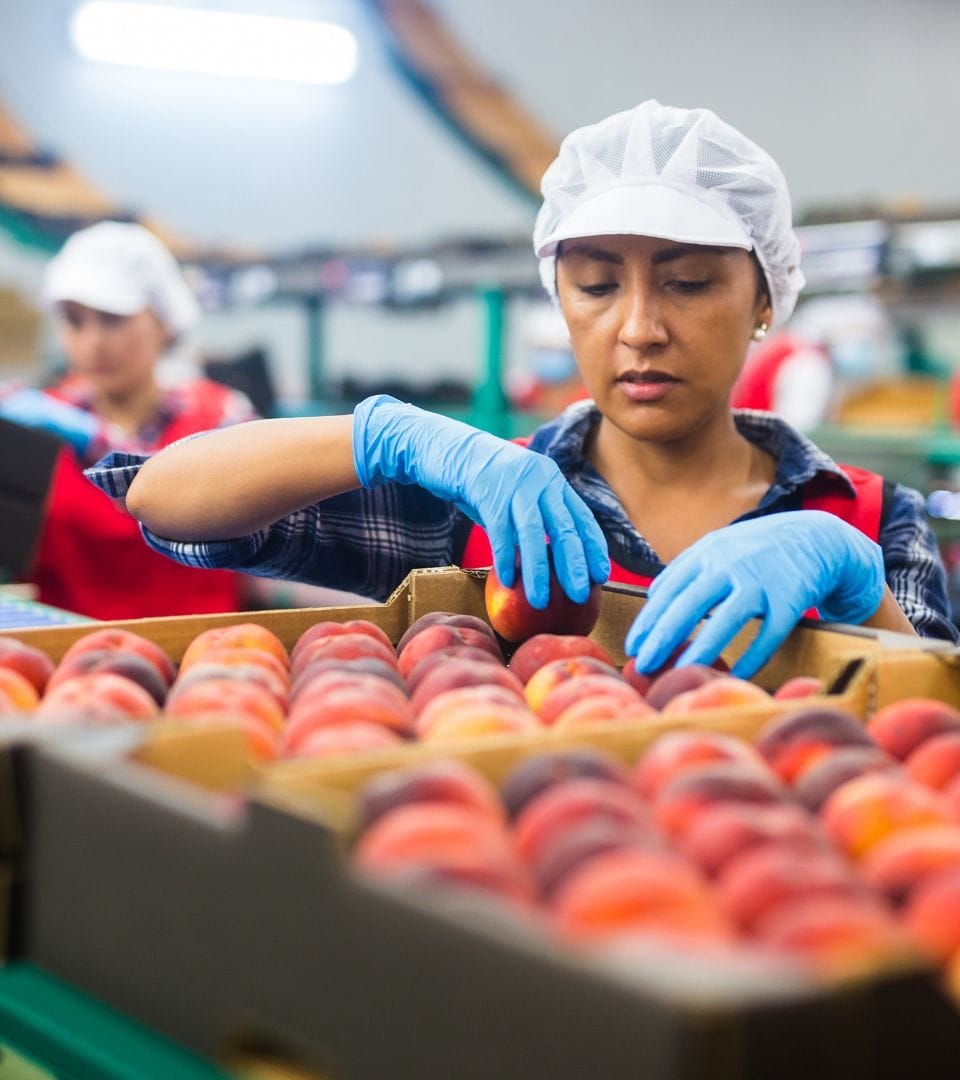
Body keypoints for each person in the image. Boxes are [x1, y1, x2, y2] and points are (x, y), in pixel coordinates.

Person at [86, 102, 957, 675]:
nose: (640, 327)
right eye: (596, 285)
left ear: (767, 299)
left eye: (689, 283)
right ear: (559, 301)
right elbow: (163, 500)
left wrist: (859, 589)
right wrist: (381, 435)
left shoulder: (867, 523)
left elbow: (934, 739)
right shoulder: (479, 510)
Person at [0, 221, 258, 618]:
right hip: (66, 662)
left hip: (206, 658)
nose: (93, 342)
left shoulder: (225, 417)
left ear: (163, 321)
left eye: (112, 319)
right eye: (74, 320)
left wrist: (101, 442)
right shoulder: (35, 425)